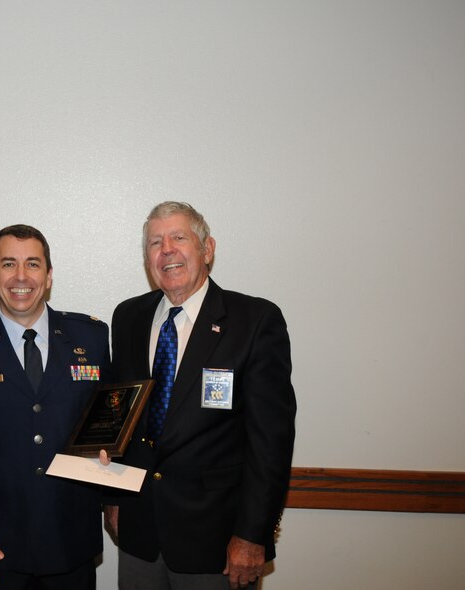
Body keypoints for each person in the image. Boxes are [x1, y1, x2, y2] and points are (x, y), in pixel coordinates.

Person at [102, 202, 296, 590]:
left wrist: (252, 535)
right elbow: (119, 416)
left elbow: (270, 442)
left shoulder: (254, 321)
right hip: (140, 533)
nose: (166, 250)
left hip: (219, 544)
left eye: (178, 237)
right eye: (155, 242)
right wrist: (114, 499)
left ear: (207, 249)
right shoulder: (128, 317)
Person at [0, 225, 110, 590]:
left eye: (32, 264)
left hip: (70, 541)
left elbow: (108, 423)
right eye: (8, 264)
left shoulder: (91, 338)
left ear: (47, 277)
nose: (20, 276)